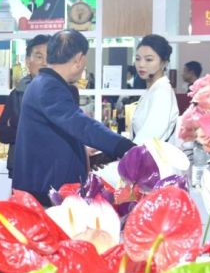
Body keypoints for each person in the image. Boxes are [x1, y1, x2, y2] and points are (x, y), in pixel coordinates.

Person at [13, 30, 135, 206]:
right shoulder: (49, 87)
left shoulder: (44, 82)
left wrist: (83, 152)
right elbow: (81, 125)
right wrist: (123, 146)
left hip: (46, 186)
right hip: (46, 191)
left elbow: (58, 133)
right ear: (79, 59)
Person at [0, 35, 49, 178]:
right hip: (22, 166)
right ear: (27, 61)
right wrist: (32, 132)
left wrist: (17, 126)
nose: (45, 63)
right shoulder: (17, 93)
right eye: (39, 57)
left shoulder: (61, 92)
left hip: (51, 167)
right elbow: (2, 132)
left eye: (49, 57)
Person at [131, 34, 179, 144]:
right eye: (138, 59)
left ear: (164, 63)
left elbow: (149, 137)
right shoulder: (153, 89)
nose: (141, 64)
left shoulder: (162, 92)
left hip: (150, 153)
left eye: (149, 59)